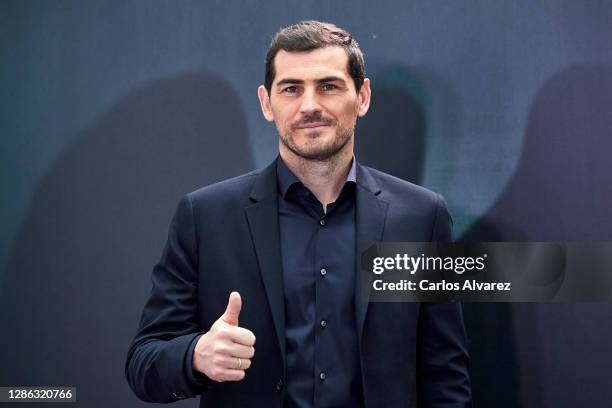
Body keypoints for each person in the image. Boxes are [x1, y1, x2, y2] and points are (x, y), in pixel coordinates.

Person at [125, 20, 471, 407]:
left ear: (362, 96)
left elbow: (445, 373)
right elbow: (144, 363)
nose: (310, 106)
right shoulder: (206, 217)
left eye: (328, 86)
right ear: (266, 103)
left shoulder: (422, 218)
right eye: (291, 89)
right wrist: (194, 356)